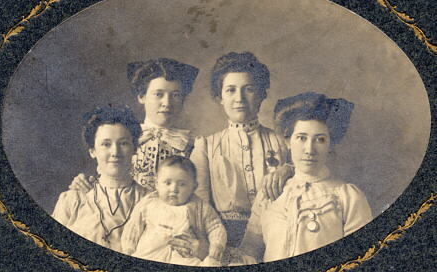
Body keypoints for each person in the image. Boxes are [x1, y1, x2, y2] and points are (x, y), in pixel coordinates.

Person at [238, 92, 373, 263]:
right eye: (301, 138)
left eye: (320, 140)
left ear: (331, 144)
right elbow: (249, 250)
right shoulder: (270, 191)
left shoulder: (348, 197)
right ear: (287, 141)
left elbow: (360, 258)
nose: (309, 149)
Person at [190, 52, 291, 248]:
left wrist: (289, 168)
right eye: (230, 90)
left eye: (249, 89)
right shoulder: (206, 147)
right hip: (225, 240)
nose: (239, 98)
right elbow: (199, 208)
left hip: (278, 234)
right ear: (220, 97)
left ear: (262, 94)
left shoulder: (282, 141)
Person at [70, 58, 199, 193]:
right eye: (158, 94)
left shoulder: (193, 144)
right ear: (141, 96)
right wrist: (83, 184)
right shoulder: (121, 136)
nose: (167, 103)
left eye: (176, 95)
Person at [52, 106, 148, 253]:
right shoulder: (73, 200)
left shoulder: (150, 201)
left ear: (135, 148)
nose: (115, 152)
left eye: (123, 143)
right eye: (106, 144)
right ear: (93, 151)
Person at [121, 156, 227, 266]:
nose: (174, 189)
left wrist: (217, 245)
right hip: (151, 253)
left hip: (184, 256)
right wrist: (128, 249)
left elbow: (215, 227)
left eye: (182, 184)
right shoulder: (148, 203)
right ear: (157, 183)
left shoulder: (199, 207)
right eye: (167, 183)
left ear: (194, 187)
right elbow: (133, 228)